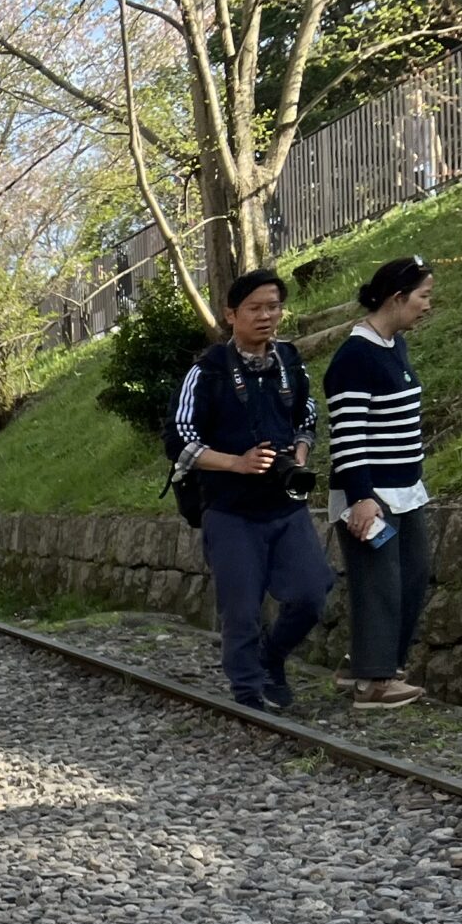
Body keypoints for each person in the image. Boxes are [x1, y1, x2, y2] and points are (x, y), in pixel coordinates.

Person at [173, 267, 330, 712]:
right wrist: (236, 464)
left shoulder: (290, 361)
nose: (266, 316)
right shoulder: (208, 371)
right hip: (230, 509)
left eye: (274, 307)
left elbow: (306, 416)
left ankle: (271, 658)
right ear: (231, 315)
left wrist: (299, 452)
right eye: (255, 308)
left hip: (285, 505)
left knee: (311, 594)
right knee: (241, 611)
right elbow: (179, 439)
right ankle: (248, 694)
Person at [326, 256, 435, 709]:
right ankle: (374, 683)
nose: (428, 306)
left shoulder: (395, 347)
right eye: (423, 296)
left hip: (407, 490)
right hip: (370, 496)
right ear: (397, 297)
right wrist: (362, 500)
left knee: (412, 578)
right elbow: (348, 437)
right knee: (379, 585)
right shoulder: (355, 357)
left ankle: (372, 663)